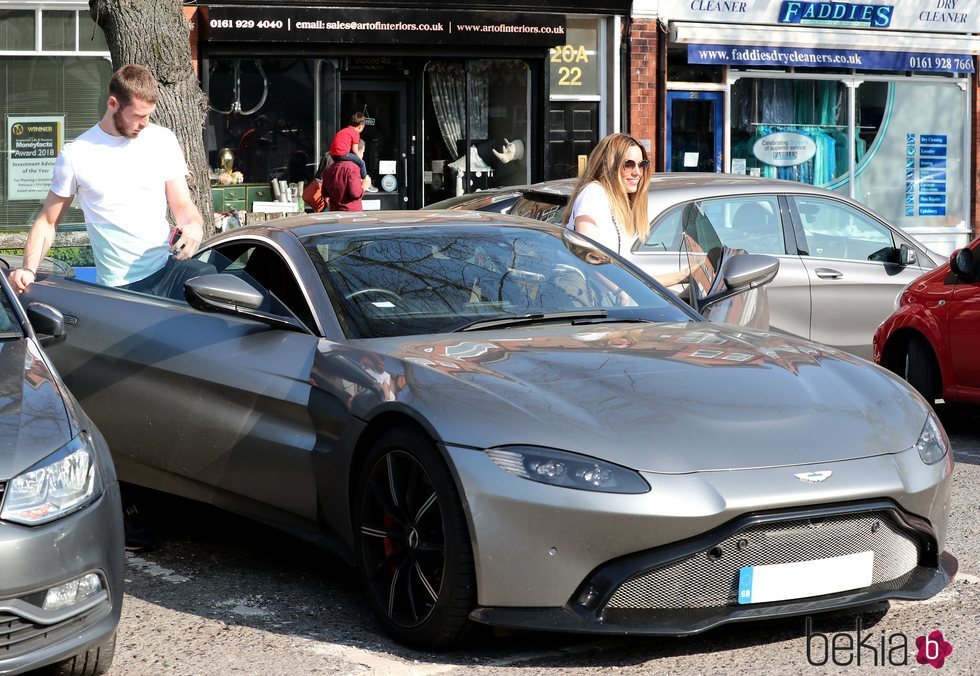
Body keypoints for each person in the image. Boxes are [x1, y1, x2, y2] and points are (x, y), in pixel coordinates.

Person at [9, 64, 211, 299]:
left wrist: (194, 226)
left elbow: (183, 207)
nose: (145, 123)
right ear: (113, 104)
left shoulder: (163, 140)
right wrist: (28, 269)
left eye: (148, 115)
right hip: (121, 287)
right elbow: (47, 221)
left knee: (216, 284)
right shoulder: (77, 154)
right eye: (138, 115)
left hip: (167, 268)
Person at [564, 133, 691, 288]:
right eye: (629, 164)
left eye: (642, 165)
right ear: (610, 166)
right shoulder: (594, 193)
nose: (637, 172)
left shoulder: (618, 205)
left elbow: (626, 276)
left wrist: (682, 276)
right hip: (581, 298)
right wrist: (619, 292)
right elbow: (588, 254)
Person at [329, 112, 377, 192]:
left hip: (334, 155)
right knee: (362, 163)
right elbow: (355, 149)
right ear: (361, 126)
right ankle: (366, 183)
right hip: (342, 154)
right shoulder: (355, 133)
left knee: (354, 162)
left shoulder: (344, 130)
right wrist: (360, 158)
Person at [323, 140, 371, 212]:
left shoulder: (330, 167)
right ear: (357, 151)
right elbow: (355, 193)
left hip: (334, 211)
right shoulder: (353, 168)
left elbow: (324, 192)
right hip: (351, 213)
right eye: (363, 152)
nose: (362, 156)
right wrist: (364, 186)